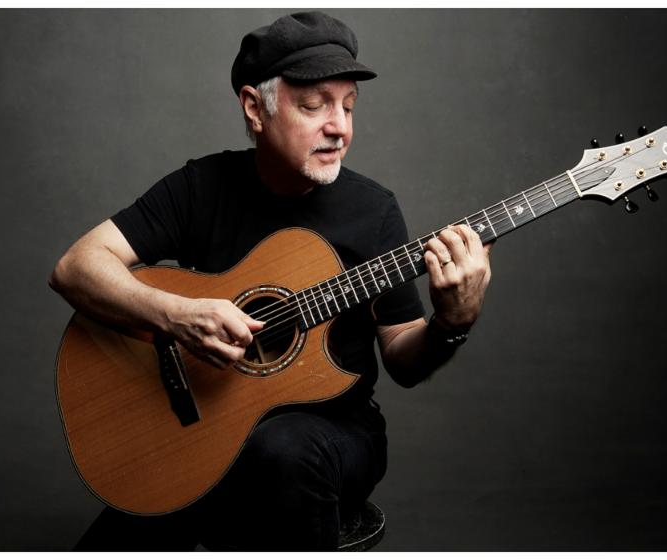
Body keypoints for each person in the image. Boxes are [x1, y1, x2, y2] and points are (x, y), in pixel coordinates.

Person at [49, 11, 492, 551]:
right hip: (205, 428)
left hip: (330, 436)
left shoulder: (373, 211)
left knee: (282, 450)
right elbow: (76, 267)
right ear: (255, 108)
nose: (340, 126)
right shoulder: (201, 187)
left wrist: (451, 322)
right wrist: (178, 317)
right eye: (315, 105)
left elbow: (402, 354)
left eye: (349, 106)